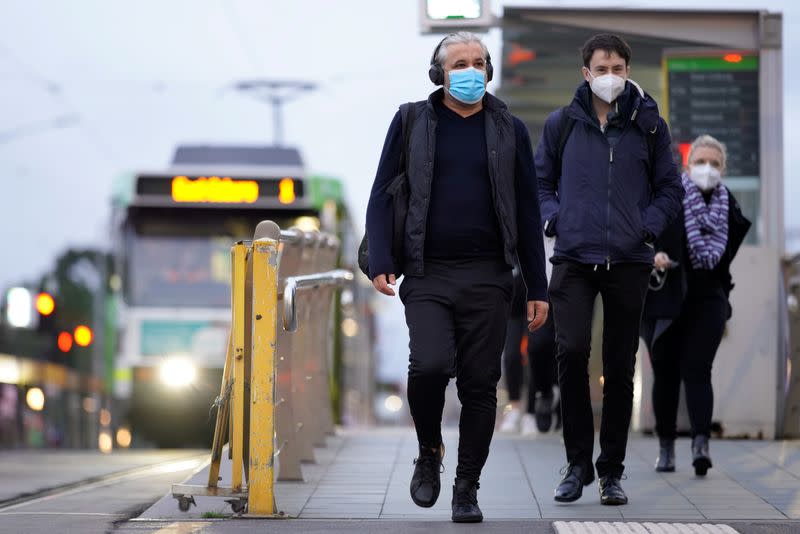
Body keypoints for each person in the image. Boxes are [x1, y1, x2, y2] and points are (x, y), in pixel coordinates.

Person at [366, 31, 549, 523]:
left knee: (479, 386)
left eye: (477, 62)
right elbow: (382, 193)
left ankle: (466, 487)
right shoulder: (410, 122)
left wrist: (538, 286)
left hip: (490, 276)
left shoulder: (509, 127)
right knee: (426, 366)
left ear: (488, 71)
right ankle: (430, 451)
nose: (469, 71)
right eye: (458, 63)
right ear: (439, 73)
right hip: (427, 271)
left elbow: (529, 212)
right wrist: (381, 257)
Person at [535, 33, 683, 505]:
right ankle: (576, 464)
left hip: (629, 260)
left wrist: (647, 228)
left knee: (620, 367)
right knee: (572, 351)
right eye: (603, 68)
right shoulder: (562, 124)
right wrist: (554, 219)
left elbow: (669, 189)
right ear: (586, 73)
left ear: (627, 70)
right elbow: (538, 183)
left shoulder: (651, 126)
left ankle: (611, 472)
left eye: (619, 68)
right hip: (574, 258)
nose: (612, 77)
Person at [642, 134, 751, 476]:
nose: (707, 169)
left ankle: (700, 444)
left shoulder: (729, 206)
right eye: (701, 162)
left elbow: (727, 257)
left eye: (714, 164)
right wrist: (653, 255)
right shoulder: (669, 199)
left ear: (723, 169)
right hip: (667, 297)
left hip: (709, 298)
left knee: (698, 369)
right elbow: (645, 233)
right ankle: (666, 447)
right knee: (666, 373)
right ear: (688, 167)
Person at [500, 238, 560, 435]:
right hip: (512, 301)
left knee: (536, 349)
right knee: (511, 355)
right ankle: (515, 407)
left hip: (536, 298)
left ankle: (530, 412)